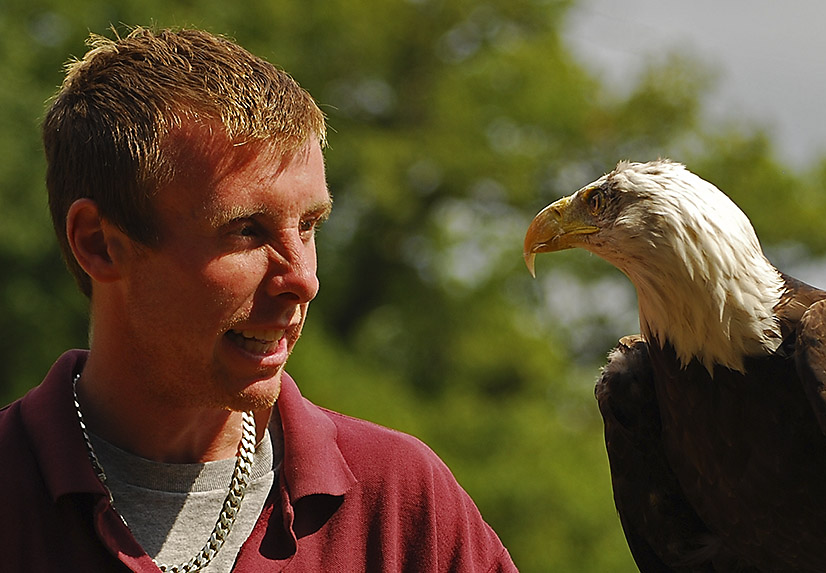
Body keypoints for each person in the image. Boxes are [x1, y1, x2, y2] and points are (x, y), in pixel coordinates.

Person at [0, 26, 518, 572]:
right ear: (99, 244)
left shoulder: (402, 504)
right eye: (247, 230)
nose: (303, 279)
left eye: (310, 224)